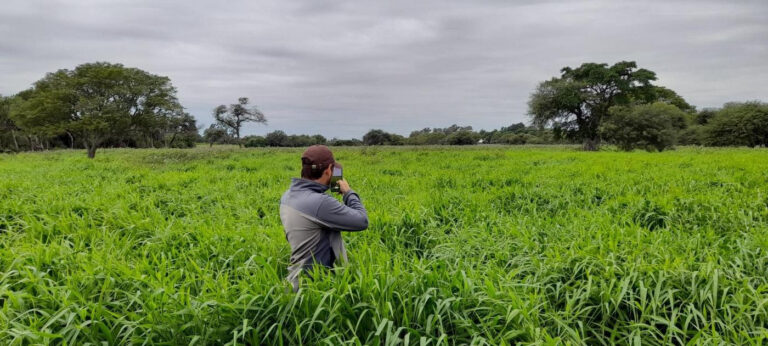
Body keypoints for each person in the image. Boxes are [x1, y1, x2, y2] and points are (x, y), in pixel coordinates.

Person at [279, 145, 369, 292]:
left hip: (296, 281)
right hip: (315, 287)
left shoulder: (287, 195)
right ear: (328, 170)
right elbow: (362, 221)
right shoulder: (320, 203)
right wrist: (348, 193)